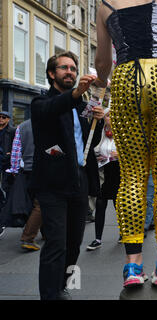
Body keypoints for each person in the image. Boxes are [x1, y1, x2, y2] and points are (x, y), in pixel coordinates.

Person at [95, 0, 157, 288]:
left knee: (132, 175)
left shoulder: (104, 6)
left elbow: (103, 62)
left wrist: (102, 80)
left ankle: (132, 266)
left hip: (126, 80)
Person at [30, 51, 104, 300]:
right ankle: (49, 295)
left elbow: (88, 140)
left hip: (78, 180)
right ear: (52, 74)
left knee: (73, 244)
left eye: (73, 68)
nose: (70, 72)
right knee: (56, 244)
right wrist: (74, 95)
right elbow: (52, 109)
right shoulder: (41, 103)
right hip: (52, 184)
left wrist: (99, 120)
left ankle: (61, 286)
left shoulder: (82, 106)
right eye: (64, 68)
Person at [86, 108, 120, 250]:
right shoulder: (100, 132)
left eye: (112, 115)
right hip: (103, 174)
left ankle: (125, 234)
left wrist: (119, 154)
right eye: (107, 115)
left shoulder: (123, 133)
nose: (109, 118)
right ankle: (98, 239)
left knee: (119, 207)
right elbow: (91, 147)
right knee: (100, 205)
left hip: (119, 173)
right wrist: (97, 155)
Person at [5, 119, 42, 251]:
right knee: (41, 203)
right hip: (42, 169)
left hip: (25, 170)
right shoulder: (49, 122)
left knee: (33, 200)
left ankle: (43, 233)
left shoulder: (23, 126)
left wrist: (15, 170)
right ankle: (28, 238)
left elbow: (16, 151)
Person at [0, 111, 16, 235]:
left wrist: (10, 153)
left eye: (3, 117)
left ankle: (8, 211)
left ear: (8, 119)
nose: (1, 119)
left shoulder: (12, 131)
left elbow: (17, 144)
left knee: (7, 186)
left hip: (7, 162)